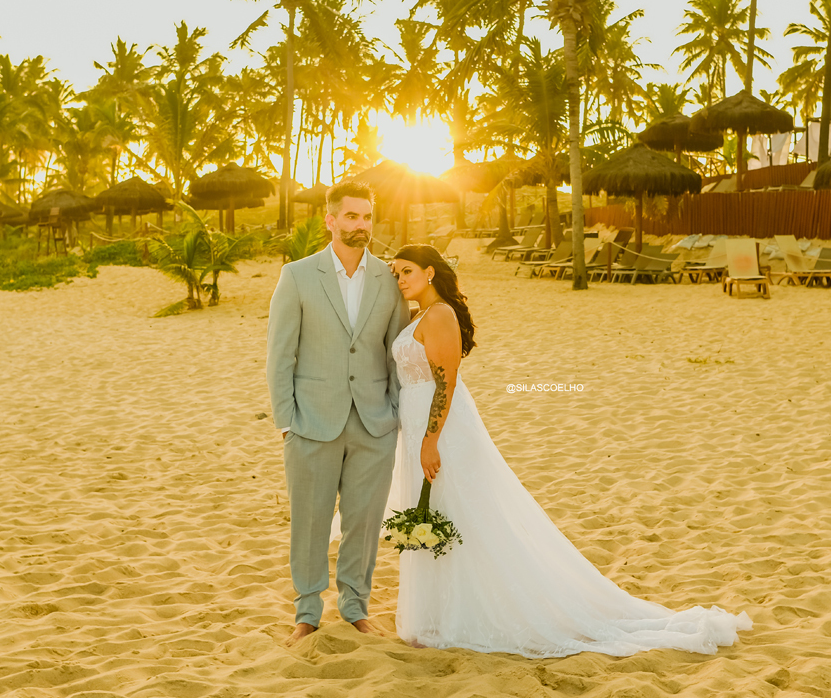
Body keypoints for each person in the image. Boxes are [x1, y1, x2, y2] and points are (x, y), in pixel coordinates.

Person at [387, 244, 752, 657]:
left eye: (408, 271)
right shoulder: (417, 313)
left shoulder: (440, 315)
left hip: (441, 430)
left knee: (462, 515)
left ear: (430, 273)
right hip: (416, 424)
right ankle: (436, 614)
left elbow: (446, 381)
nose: (400, 279)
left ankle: (466, 613)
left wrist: (431, 441)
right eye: (396, 273)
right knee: (441, 513)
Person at [266, 183, 410, 645]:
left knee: (364, 521)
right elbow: (280, 355)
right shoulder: (298, 275)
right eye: (351, 217)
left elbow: (395, 352)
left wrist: (392, 412)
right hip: (312, 421)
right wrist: (287, 421)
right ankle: (307, 610)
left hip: (374, 422)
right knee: (309, 518)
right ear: (330, 220)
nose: (361, 226)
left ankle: (354, 605)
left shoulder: (389, 280)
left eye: (367, 217)